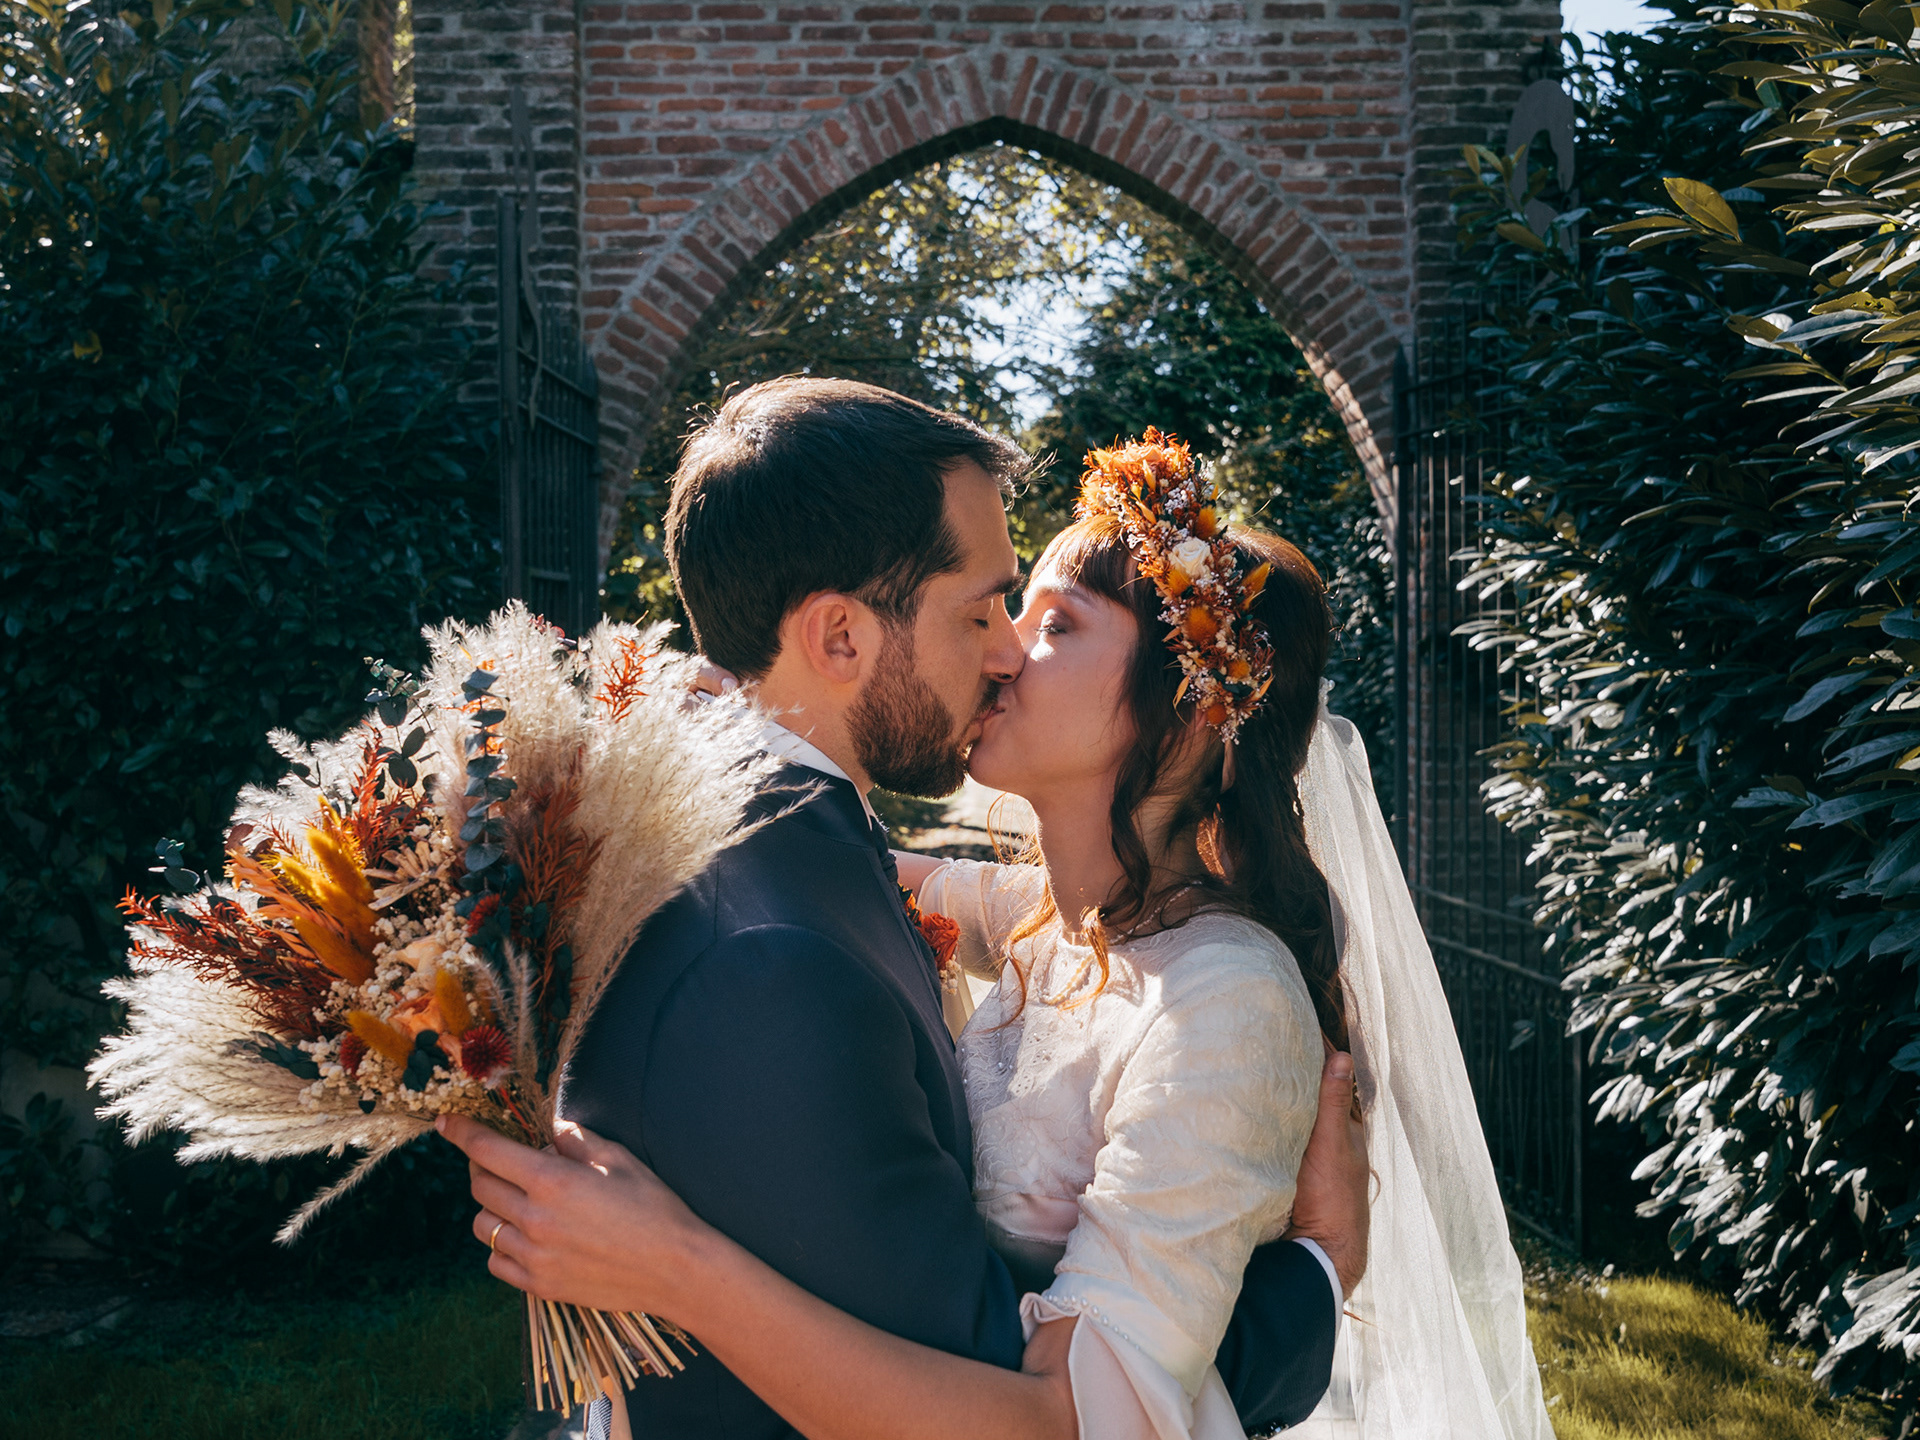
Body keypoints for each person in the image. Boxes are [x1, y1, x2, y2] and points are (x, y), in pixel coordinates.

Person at [441, 384, 1369, 1440]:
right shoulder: (778, 957)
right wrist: (1315, 1272)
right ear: (839, 637)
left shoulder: (1185, 976)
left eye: (1049, 622)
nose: (1008, 651)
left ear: (1191, 719)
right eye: (986, 611)